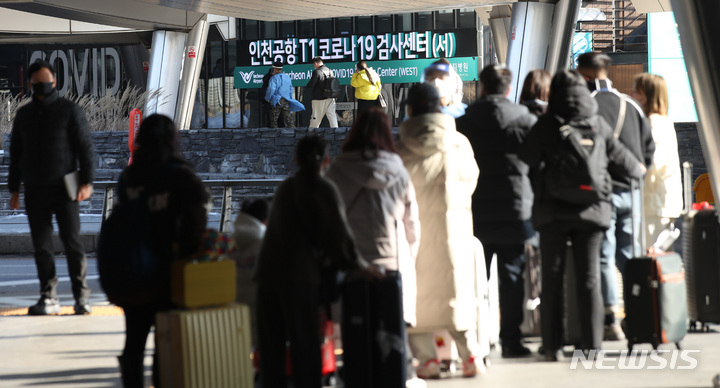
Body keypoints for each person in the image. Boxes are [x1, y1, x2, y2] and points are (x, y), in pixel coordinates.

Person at [518, 69, 645, 361]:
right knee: (589, 279)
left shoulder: (547, 124)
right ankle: (590, 345)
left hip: (553, 212)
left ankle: (552, 345)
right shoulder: (597, 123)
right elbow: (631, 166)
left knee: (551, 278)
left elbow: (525, 158)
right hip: (593, 211)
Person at [254, 134, 381, 388]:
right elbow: (340, 239)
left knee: (271, 350)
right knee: (305, 347)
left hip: (267, 275)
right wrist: (363, 267)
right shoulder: (325, 189)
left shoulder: (285, 188)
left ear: (297, 158)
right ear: (327, 160)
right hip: (300, 279)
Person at [325, 107, 421, 386]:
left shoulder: (337, 170)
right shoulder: (398, 171)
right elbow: (412, 223)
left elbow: (330, 222)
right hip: (392, 262)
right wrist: (408, 259)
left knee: (356, 331)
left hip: (352, 264)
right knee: (392, 327)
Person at [115, 114, 210, 387]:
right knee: (166, 341)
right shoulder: (180, 175)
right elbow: (196, 224)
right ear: (171, 139)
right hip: (170, 271)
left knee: (134, 340)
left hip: (133, 269)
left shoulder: (130, 176)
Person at [397, 83, 481, 378]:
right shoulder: (459, 143)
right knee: (456, 291)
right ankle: (470, 355)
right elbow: (471, 180)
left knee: (419, 293)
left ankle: (428, 360)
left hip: (413, 236)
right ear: (440, 107)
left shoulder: (400, 147)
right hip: (453, 230)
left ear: (409, 109)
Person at [456, 64, 538, 358]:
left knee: (473, 278)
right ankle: (512, 340)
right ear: (507, 88)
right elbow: (537, 163)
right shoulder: (525, 119)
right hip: (516, 209)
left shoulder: (463, 123)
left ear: (481, 87)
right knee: (513, 276)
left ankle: (476, 342)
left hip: (474, 210)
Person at [576, 51, 654, 341]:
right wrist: (638, 178)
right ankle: (638, 313)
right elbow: (648, 149)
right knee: (630, 255)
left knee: (605, 256)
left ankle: (612, 318)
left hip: (602, 193)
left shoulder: (588, 106)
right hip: (631, 192)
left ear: (583, 74)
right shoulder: (631, 104)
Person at [8, 60, 96, 316]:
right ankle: (49, 297)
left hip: (65, 188)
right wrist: (14, 190)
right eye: (36, 83)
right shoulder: (24, 114)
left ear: (54, 81)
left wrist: (87, 182)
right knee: (42, 246)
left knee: (73, 243)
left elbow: (85, 148)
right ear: (30, 84)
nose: (41, 86)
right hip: (34, 189)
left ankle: (82, 297)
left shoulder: (69, 110)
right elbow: (16, 154)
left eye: (45, 82)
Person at [631, 73, 683, 248]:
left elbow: (653, 162)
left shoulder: (654, 123)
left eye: (638, 92)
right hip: (660, 202)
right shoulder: (663, 121)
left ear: (649, 96)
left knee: (651, 261)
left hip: (654, 203)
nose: (633, 95)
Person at [265, 61, 305, 128]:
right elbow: (290, 90)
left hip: (276, 100)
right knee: (288, 118)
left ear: (275, 69)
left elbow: (271, 89)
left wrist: (268, 98)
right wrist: (289, 98)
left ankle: (274, 134)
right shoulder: (287, 78)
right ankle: (294, 132)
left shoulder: (274, 78)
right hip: (286, 100)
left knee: (274, 119)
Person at [306, 56, 339, 128]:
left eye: (313, 64)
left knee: (315, 118)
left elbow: (311, 84)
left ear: (315, 63)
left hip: (319, 99)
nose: (314, 66)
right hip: (330, 98)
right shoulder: (330, 71)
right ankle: (337, 133)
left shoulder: (317, 72)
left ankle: (311, 135)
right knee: (332, 116)